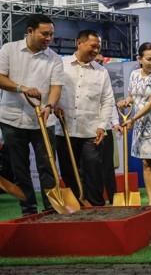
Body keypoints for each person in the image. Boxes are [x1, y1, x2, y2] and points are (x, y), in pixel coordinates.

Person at [0, 14, 63, 215]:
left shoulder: (54, 58)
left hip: (43, 120)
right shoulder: (9, 49)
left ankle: (52, 208)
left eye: (51, 35)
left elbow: (56, 86)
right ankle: (29, 210)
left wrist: (49, 106)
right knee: (20, 168)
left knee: (48, 166)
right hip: (11, 119)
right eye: (45, 34)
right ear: (30, 31)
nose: (49, 39)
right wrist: (22, 88)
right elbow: (0, 78)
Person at [55, 30, 115, 206]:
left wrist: (102, 126)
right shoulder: (60, 65)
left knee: (94, 168)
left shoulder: (101, 72)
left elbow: (107, 100)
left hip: (91, 131)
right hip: (63, 129)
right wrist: (53, 106)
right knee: (68, 171)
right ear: (79, 43)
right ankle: (77, 206)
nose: (96, 50)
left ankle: (97, 205)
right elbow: (51, 90)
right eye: (93, 46)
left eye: (98, 47)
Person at [117, 43, 151, 206]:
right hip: (139, 125)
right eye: (149, 59)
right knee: (146, 162)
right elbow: (132, 96)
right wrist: (125, 101)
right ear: (140, 59)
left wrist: (133, 119)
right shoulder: (134, 74)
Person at [94, 53, 122, 204]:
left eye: (101, 61)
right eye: (96, 60)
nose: (99, 63)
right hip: (88, 129)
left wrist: (115, 122)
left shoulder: (104, 76)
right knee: (91, 167)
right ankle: (95, 199)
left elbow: (109, 102)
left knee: (108, 166)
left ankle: (113, 198)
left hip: (106, 128)